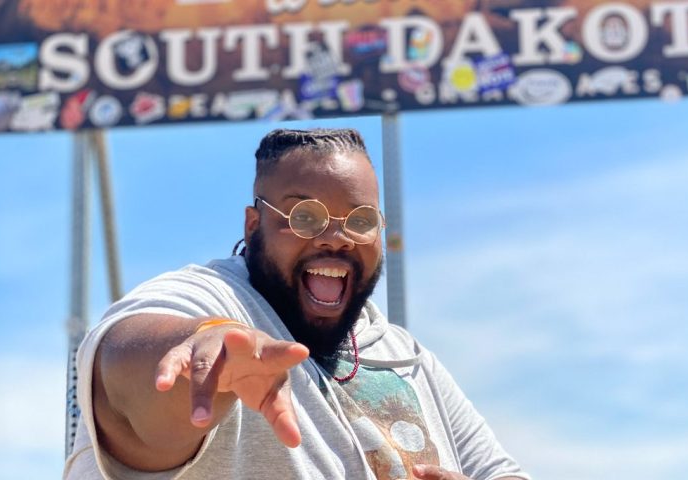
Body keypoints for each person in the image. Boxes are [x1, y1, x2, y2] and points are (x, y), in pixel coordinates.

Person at [64, 128, 530, 480]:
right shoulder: (214, 297)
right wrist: (204, 347)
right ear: (253, 226)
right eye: (305, 216)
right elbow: (123, 370)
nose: (337, 237)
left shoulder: (403, 355)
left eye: (362, 220)